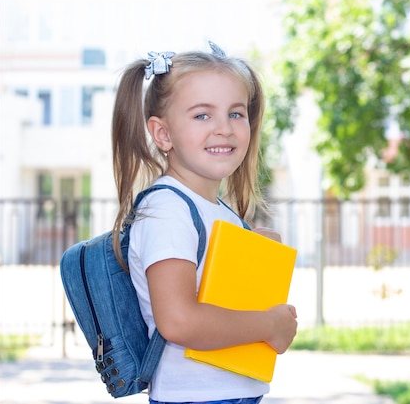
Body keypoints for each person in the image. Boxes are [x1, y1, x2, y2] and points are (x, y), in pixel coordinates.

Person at [110, 42, 298, 404]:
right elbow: (179, 321)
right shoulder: (168, 209)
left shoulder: (217, 210)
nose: (224, 129)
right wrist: (269, 324)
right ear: (163, 134)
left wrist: (254, 256)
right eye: (202, 115)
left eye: (236, 113)